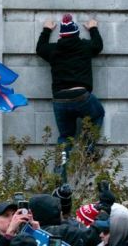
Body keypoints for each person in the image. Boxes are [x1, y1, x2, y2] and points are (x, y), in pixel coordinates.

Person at [36, 14, 106, 178]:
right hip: (81, 96)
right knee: (98, 114)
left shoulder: (54, 50)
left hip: (60, 99)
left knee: (65, 137)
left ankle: (60, 175)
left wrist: (46, 30)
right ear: (76, 33)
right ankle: (89, 148)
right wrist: (93, 28)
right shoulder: (84, 47)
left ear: (61, 35)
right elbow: (98, 45)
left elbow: (40, 48)